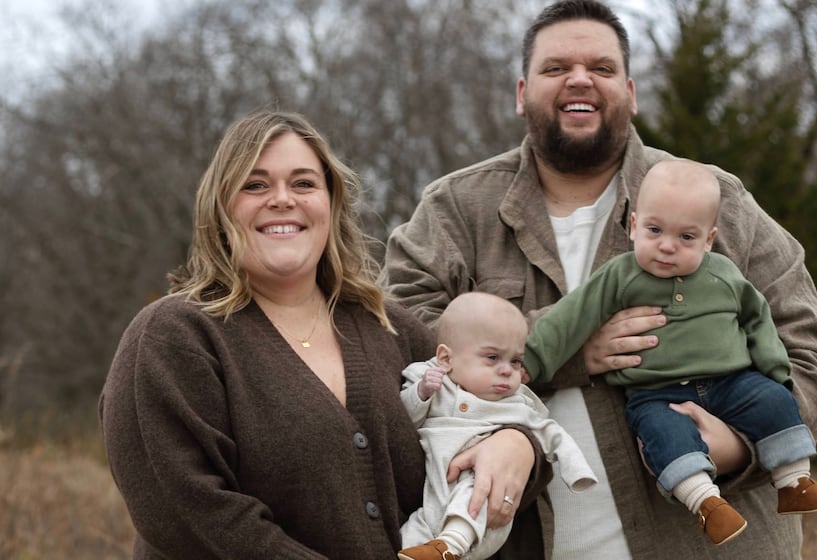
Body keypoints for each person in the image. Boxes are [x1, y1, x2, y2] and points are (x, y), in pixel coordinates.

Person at [382, 0, 817, 558]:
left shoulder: (715, 199)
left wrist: (742, 448)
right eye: (556, 69)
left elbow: (806, 350)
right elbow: (396, 339)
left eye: (601, 68)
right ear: (522, 93)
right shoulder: (455, 209)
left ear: (631, 92)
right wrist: (571, 350)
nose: (580, 79)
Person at [99, 110, 546, 559]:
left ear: (331, 205)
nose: (282, 200)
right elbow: (185, 511)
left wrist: (519, 444)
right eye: (255, 185)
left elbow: (487, 422)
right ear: (220, 208)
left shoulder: (388, 327)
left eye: (303, 184)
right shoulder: (173, 337)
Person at [522, 160, 817, 546]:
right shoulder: (619, 276)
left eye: (686, 238)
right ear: (634, 226)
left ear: (708, 241)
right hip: (657, 394)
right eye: (655, 231)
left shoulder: (723, 274)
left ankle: (795, 481)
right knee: (663, 436)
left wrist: (772, 369)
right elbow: (568, 321)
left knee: (775, 402)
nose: (667, 246)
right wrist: (531, 362)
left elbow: (757, 317)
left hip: (732, 382)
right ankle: (707, 503)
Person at [397, 292, 597, 560]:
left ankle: (451, 546)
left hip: (481, 500)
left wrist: (577, 472)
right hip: (433, 490)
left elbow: (552, 434)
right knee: (409, 538)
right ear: (446, 358)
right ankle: (433, 549)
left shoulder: (518, 402)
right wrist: (421, 393)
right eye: (492, 357)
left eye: (515, 361)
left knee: (475, 490)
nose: (507, 370)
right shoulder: (429, 378)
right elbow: (402, 421)